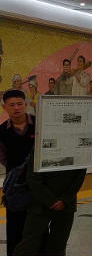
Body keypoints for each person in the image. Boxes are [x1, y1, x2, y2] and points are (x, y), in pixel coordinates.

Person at [14, 138, 86, 255]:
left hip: (65, 206)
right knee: (28, 245)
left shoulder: (77, 148)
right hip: (40, 203)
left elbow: (80, 177)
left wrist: (65, 199)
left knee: (58, 246)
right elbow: (32, 177)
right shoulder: (41, 145)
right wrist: (51, 200)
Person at [0, 90, 36, 256]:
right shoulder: (2, 132)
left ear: (26, 104)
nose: (16, 108)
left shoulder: (39, 125)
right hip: (15, 190)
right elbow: (3, 158)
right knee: (14, 232)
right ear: (4, 107)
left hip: (39, 187)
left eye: (20, 104)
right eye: (12, 105)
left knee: (37, 231)